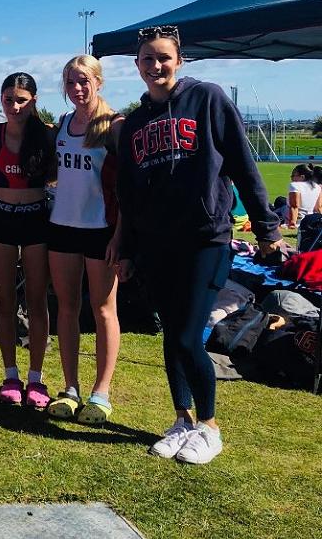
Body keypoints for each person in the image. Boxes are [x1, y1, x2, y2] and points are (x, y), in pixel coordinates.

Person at [118, 24, 282, 465]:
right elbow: (130, 197)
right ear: (136, 66)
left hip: (205, 238)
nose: (155, 66)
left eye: (163, 57)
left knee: (189, 334)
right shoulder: (134, 124)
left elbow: (244, 165)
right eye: (147, 59)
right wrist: (129, 249)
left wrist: (267, 228)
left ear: (179, 60)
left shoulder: (207, 99)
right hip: (156, 244)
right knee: (172, 335)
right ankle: (181, 420)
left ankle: (209, 426)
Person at [46, 56, 122, 424]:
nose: (77, 88)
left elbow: (127, 190)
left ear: (98, 82)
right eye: (71, 82)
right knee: (66, 307)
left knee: (104, 309)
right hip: (62, 227)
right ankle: (71, 388)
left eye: (84, 81)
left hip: (101, 231)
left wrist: (120, 236)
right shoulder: (62, 124)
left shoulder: (114, 125)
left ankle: (101, 392)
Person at [0, 72, 56, 409]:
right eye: (9, 99)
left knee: (37, 300)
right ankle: (10, 374)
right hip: (0, 217)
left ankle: (36, 377)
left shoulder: (47, 137)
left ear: (34, 102)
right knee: (4, 299)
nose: (14, 106)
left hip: (36, 218)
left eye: (21, 100)